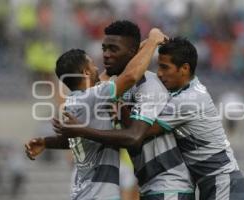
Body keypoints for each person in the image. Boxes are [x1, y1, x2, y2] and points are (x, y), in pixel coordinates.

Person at [53, 21, 195, 200]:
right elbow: (110, 77)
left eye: (113, 49)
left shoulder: (150, 86)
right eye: (104, 49)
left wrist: (151, 41)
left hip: (169, 186)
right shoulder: (109, 90)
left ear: (132, 53)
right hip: (150, 186)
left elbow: (134, 137)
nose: (105, 55)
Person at [25, 27, 166, 200]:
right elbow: (130, 76)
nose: (97, 67)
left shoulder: (74, 102)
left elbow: (113, 72)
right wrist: (153, 41)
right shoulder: (92, 98)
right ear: (85, 72)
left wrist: (47, 142)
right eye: (92, 64)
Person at [155, 37, 244, 200]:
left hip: (223, 185)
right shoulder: (192, 87)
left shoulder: (186, 100)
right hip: (217, 184)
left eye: (165, 67)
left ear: (184, 68)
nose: (159, 73)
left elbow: (139, 132)